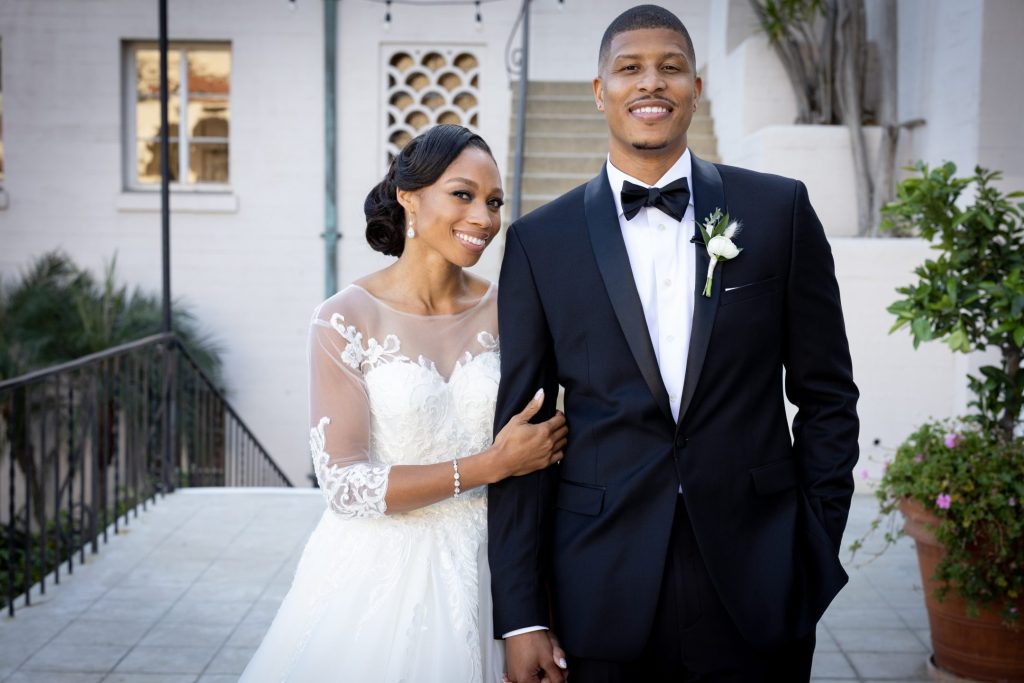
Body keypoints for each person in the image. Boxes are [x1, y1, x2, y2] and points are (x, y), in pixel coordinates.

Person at [489, 5, 860, 682]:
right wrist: (521, 613)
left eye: (671, 67)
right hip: (599, 578)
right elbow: (522, 432)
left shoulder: (778, 212)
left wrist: (813, 543)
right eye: (629, 68)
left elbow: (828, 395)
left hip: (760, 571)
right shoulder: (540, 242)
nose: (650, 82)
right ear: (599, 90)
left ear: (696, 87)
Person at [240, 124, 568, 682]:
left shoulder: (512, 310)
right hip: (377, 578)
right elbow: (345, 485)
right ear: (408, 197)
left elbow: (541, 445)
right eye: (462, 195)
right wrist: (491, 465)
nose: (483, 218)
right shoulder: (344, 318)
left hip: (493, 569)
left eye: (494, 203)